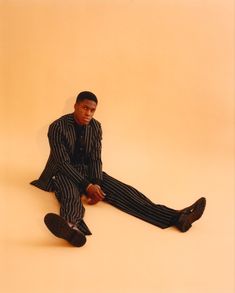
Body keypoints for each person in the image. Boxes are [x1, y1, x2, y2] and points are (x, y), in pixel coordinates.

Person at [31, 91, 206, 247]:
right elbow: (62, 162)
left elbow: (95, 158)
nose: (88, 113)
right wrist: (87, 187)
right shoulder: (57, 127)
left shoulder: (96, 126)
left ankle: (177, 218)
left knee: (125, 192)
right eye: (85, 108)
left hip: (87, 171)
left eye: (92, 110)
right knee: (70, 195)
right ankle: (71, 227)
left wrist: (96, 183)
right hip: (62, 172)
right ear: (75, 106)